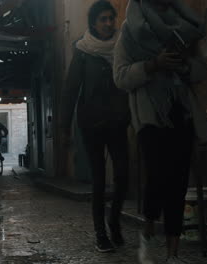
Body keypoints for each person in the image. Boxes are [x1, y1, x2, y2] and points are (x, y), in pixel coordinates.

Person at [113, 0, 207, 263]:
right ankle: (148, 231)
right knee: (157, 178)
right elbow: (120, 76)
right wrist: (153, 65)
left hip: (181, 112)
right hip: (150, 115)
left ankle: (172, 254)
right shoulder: (131, 30)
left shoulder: (187, 27)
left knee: (178, 184)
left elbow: (202, 68)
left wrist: (184, 66)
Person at [63, 0, 130, 253]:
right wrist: (64, 127)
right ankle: (100, 234)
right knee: (99, 180)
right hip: (91, 123)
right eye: (103, 19)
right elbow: (71, 89)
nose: (108, 23)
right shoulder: (83, 50)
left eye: (111, 18)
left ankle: (114, 220)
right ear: (93, 22)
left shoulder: (123, 46)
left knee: (123, 175)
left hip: (118, 120)